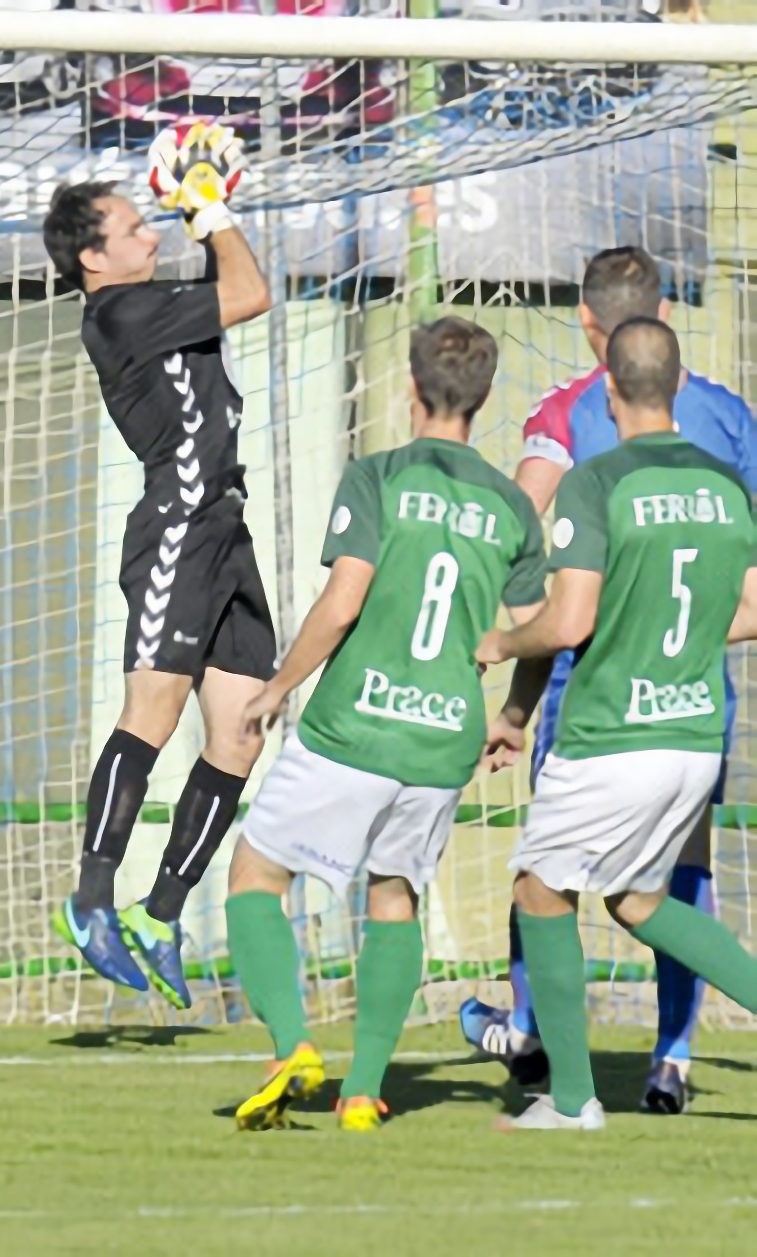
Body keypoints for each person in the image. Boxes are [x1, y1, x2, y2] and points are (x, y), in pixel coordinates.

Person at [221, 317, 547, 1132]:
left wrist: (275, 689)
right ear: (483, 400)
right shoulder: (511, 505)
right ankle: (363, 1092)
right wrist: (511, 715)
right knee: (395, 896)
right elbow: (543, 626)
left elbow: (343, 601)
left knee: (256, 875)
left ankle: (294, 1043)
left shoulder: (377, 477)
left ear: (409, 388)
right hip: (442, 741)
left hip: (354, 726)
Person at [461, 246, 757, 1114]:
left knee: (541, 886)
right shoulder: (727, 461)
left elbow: (562, 606)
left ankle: (566, 1085)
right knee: (644, 893)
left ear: (602, 358)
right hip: (697, 716)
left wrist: (500, 641)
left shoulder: (588, 465)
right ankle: (670, 1054)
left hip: (607, 721)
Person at [42, 122, 273, 1009]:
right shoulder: (120, 311)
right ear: (95, 259)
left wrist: (206, 206)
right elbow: (248, 291)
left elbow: (230, 284)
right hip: (178, 524)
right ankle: (92, 898)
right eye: (135, 226)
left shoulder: (153, 299)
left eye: (153, 220)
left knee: (243, 727)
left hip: (228, 527)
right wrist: (207, 205)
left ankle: (161, 911)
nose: (152, 232)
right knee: (154, 708)